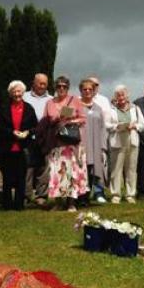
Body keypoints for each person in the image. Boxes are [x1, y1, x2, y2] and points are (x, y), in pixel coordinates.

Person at [36, 75, 88, 212]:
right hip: (55, 143)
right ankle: (59, 202)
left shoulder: (74, 100)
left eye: (64, 86)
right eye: (58, 86)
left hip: (71, 143)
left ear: (68, 87)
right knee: (57, 173)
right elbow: (45, 120)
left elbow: (83, 118)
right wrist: (56, 119)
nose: (61, 88)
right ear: (55, 87)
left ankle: (71, 203)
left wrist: (70, 121)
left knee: (70, 173)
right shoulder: (50, 103)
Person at [0, 80, 38, 211]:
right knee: (7, 176)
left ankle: (19, 204)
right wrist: (12, 132)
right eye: (14, 91)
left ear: (23, 92)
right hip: (7, 147)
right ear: (10, 93)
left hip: (23, 147)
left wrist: (27, 132)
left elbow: (35, 126)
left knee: (21, 177)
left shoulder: (29, 108)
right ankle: (6, 204)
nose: (17, 94)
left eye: (19, 91)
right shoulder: (4, 108)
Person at [104, 84, 144, 203]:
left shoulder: (135, 108)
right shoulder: (111, 109)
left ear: (127, 95)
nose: (121, 97)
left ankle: (130, 194)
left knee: (131, 170)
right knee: (116, 170)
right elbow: (106, 124)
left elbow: (142, 124)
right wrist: (117, 126)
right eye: (118, 95)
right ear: (115, 97)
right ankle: (115, 194)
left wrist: (135, 126)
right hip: (117, 142)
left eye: (123, 94)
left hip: (132, 142)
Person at [23, 73, 52, 207]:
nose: (42, 86)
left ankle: (41, 196)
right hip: (28, 137)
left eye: (44, 83)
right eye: (39, 83)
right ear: (33, 83)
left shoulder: (52, 99)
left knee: (44, 168)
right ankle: (26, 196)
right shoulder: (25, 96)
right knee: (28, 168)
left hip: (45, 138)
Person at [78, 78, 108, 205]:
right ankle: (80, 197)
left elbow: (103, 128)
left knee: (92, 171)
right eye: (85, 89)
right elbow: (63, 118)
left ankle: (88, 196)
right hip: (81, 144)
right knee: (81, 171)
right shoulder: (74, 104)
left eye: (90, 89)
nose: (88, 91)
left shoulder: (99, 108)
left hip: (95, 145)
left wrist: (103, 147)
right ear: (81, 90)